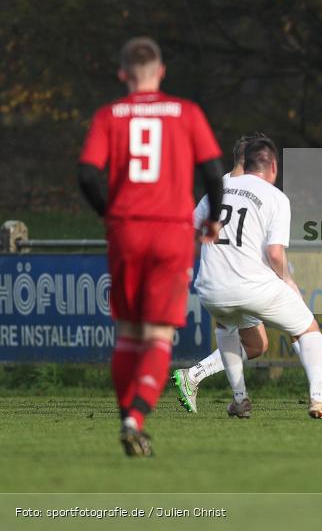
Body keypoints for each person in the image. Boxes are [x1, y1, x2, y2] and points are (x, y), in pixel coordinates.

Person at [78, 37, 225, 457]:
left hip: (126, 230)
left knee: (127, 333)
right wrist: (213, 218)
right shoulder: (186, 113)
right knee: (158, 333)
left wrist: (112, 214)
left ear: (122, 74)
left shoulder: (109, 116)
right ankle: (135, 418)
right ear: (161, 72)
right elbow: (213, 174)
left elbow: (88, 176)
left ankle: (128, 417)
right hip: (171, 231)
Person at [172, 134, 322, 414]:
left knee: (254, 344)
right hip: (250, 282)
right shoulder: (273, 196)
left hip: (211, 286)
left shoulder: (215, 190)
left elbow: (190, 236)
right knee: (305, 329)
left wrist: (192, 269)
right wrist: (286, 278)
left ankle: (230, 393)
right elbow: (275, 252)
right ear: (272, 166)